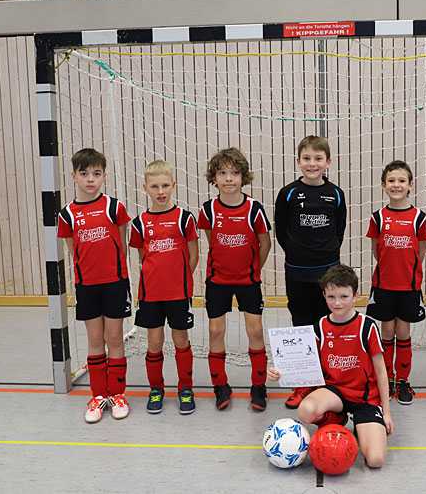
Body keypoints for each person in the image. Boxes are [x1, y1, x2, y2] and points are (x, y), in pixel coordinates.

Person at [268, 264, 392, 469]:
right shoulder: (320, 327)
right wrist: (279, 371)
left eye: (344, 296)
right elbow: (302, 362)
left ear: (355, 296)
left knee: (376, 461)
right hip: (335, 393)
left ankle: (364, 425)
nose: (337, 302)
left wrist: (386, 413)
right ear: (324, 295)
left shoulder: (367, 326)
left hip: (365, 398)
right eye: (331, 296)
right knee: (305, 411)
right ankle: (338, 418)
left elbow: (381, 371)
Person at [57, 148, 132, 423]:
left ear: (104, 176)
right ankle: (99, 396)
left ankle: (118, 394)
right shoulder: (67, 215)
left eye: (97, 174)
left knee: (114, 339)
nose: (91, 179)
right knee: (94, 340)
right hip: (87, 286)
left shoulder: (115, 207)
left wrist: (117, 275)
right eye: (85, 174)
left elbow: (121, 244)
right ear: (74, 176)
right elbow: (72, 250)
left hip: (114, 283)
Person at [274, 135, 347, 409]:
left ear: (328, 162)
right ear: (298, 161)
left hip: (327, 272)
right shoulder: (289, 193)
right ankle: (302, 383)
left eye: (318, 158)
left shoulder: (336, 194)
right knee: (301, 326)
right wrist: (296, 252)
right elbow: (282, 230)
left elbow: (339, 230)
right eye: (306, 158)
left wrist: (325, 256)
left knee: (327, 325)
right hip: (297, 271)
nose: (312, 163)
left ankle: (328, 379)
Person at [197, 147, 272, 411]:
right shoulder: (208, 210)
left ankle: (258, 385)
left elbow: (265, 244)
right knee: (216, 331)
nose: (229, 178)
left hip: (248, 281)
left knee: (255, 331)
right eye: (222, 173)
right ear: (214, 178)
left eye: (234, 173)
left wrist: (253, 269)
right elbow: (212, 241)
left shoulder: (254, 209)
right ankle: (220, 385)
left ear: (243, 177)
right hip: (217, 281)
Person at [129, 160, 198, 415]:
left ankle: (185, 388)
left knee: (180, 339)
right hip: (151, 294)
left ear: (174, 186)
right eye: (155, 186)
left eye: (165, 185)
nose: (161, 191)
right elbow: (141, 256)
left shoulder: (184, 218)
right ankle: (156, 388)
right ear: (146, 188)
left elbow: (193, 256)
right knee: (155, 342)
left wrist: (179, 279)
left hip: (178, 293)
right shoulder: (139, 222)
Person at [365, 161, 426, 405]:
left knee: (403, 332)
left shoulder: (419, 217)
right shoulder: (378, 217)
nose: (396, 185)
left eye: (402, 181)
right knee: (387, 332)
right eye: (391, 180)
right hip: (384, 286)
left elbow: (420, 250)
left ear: (410, 185)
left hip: (409, 287)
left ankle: (403, 381)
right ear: (383, 185)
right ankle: (387, 378)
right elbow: (376, 250)